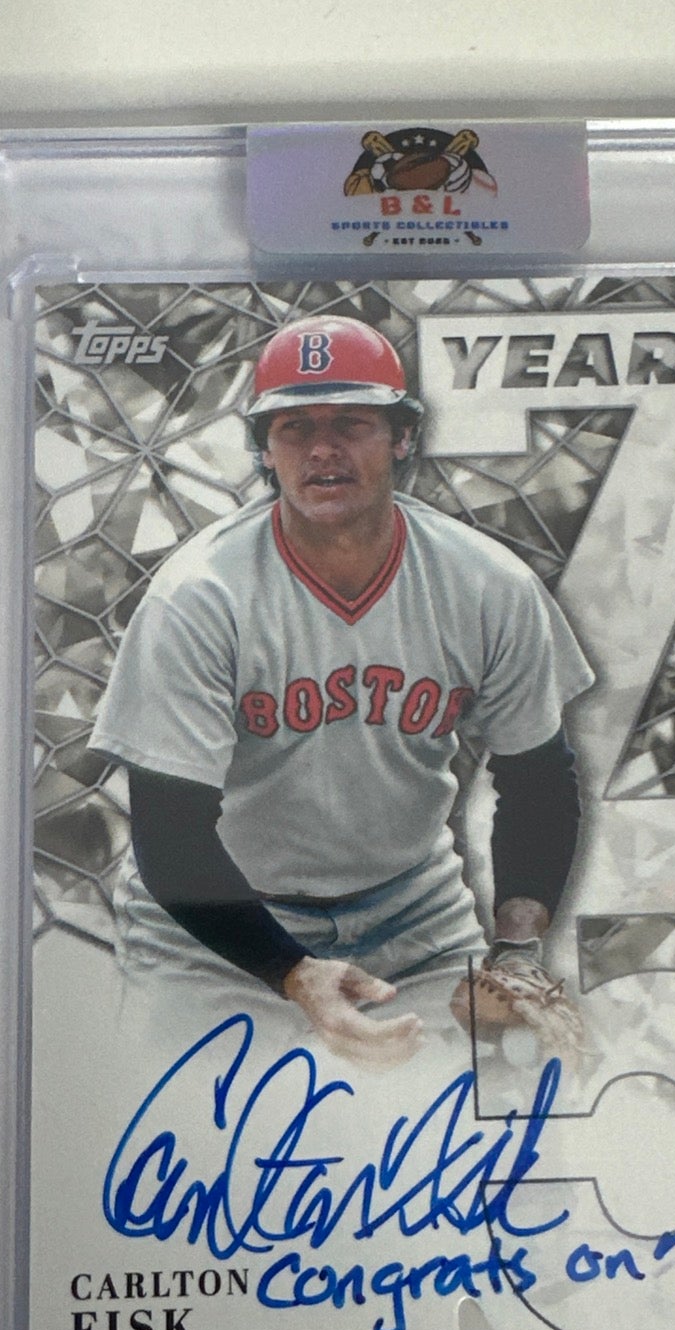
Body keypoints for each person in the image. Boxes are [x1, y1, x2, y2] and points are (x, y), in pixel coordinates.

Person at [87, 314, 593, 1064]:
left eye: (351, 423)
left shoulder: (488, 585)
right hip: (211, 927)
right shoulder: (199, 597)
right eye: (295, 428)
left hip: (412, 910)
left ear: (402, 437)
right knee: (187, 1116)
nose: (322, 449)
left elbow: (538, 778)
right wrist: (292, 972)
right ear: (265, 449)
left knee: (469, 1104)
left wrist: (517, 953)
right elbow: (170, 834)